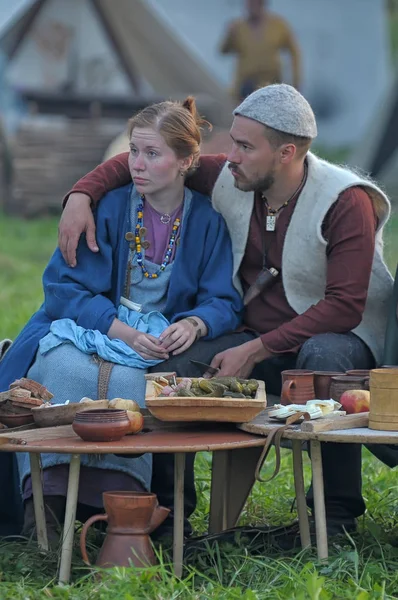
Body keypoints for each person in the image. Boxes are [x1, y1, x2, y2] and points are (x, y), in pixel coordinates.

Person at [58, 84, 394, 545]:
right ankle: (167, 517)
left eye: (245, 145)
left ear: (286, 153)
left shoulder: (344, 201)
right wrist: (80, 194)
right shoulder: (232, 175)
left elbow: (344, 306)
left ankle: (333, 520)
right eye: (232, 141)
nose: (229, 154)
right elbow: (152, 156)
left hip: (340, 339)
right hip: (252, 334)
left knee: (322, 357)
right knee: (170, 372)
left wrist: (256, 349)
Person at [0, 97, 242, 543]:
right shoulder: (108, 207)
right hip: (94, 326)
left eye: (153, 154)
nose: (137, 163)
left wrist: (193, 324)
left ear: (186, 161)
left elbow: (223, 299)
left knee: (136, 390)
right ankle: (45, 512)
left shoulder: (207, 221)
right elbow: (63, 288)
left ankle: (123, 518)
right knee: (61, 371)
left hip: (156, 339)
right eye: (134, 151)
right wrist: (120, 330)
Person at [220, 0, 301, 101]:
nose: (252, 6)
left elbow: (294, 53)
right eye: (249, 3)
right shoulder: (238, 26)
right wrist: (229, 35)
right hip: (245, 85)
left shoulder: (278, 25)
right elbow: (223, 50)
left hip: (271, 84)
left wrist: (296, 81)